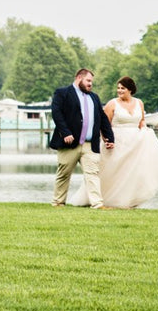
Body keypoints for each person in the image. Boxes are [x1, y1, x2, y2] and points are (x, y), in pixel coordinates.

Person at [69, 76, 158, 208]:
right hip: (116, 143)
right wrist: (107, 139)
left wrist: (144, 130)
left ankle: (127, 201)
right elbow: (103, 125)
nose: (119, 91)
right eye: (118, 88)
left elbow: (141, 121)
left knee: (131, 173)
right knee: (110, 172)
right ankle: (98, 199)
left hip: (135, 144)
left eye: (122, 88)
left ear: (130, 90)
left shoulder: (139, 103)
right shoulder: (112, 104)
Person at [49, 68, 114, 208]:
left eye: (91, 81)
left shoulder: (94, 97)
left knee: (93, 174)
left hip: (90, 145)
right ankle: (58, 202)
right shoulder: (62, 93)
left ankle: (97, 204)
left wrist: (109, 137)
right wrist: (65, 132)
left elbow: (102, 118)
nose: (90, 84)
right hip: (69, 143)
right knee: (64, 174)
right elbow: (56, 113)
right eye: (88, 81)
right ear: (79, 78)